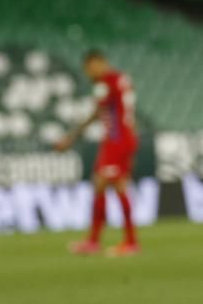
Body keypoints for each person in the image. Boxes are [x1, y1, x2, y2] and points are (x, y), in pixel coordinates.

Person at [55, 50, 140, 257]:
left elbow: (97, 113)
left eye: (91, 66)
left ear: (101, 63)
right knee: (104, 184)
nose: (89, 72)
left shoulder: (107, 82)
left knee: (112, 185)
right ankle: (101, 240)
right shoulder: (119, 79)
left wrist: (71, 137)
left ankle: (126, 242)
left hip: (117, 140)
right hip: (119, 139)